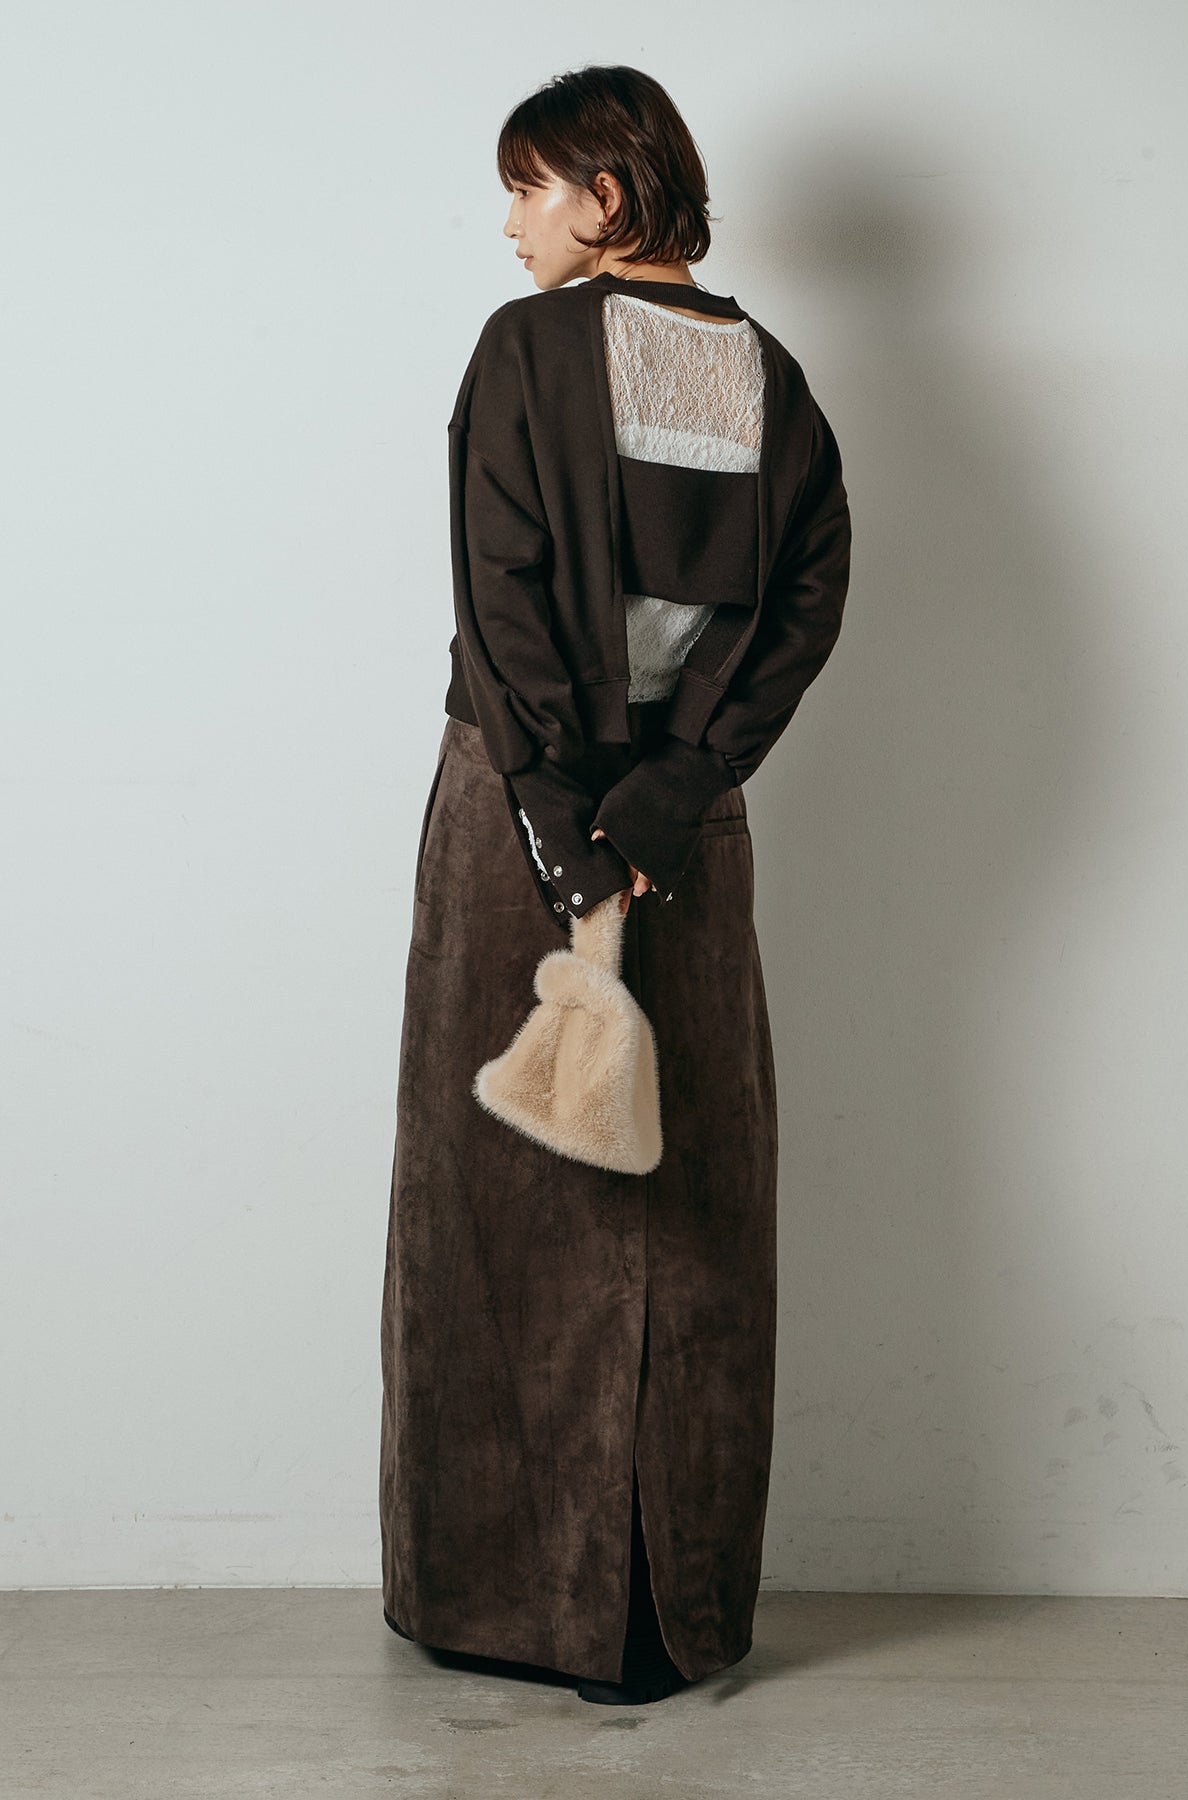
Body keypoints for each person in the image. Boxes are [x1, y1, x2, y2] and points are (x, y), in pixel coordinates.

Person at [379, 62, 852, 1707]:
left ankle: (506, 1602)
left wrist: (563, 819)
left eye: (528, 186)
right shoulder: (771, 376)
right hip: (684, 832)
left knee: (499, 1191)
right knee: (689, 1187)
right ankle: (664, 1617)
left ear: (607, 189)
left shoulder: (526, 349)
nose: (509, 220)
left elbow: (502, 592)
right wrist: (664, 799)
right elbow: (799, 607)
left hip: (519, 812)